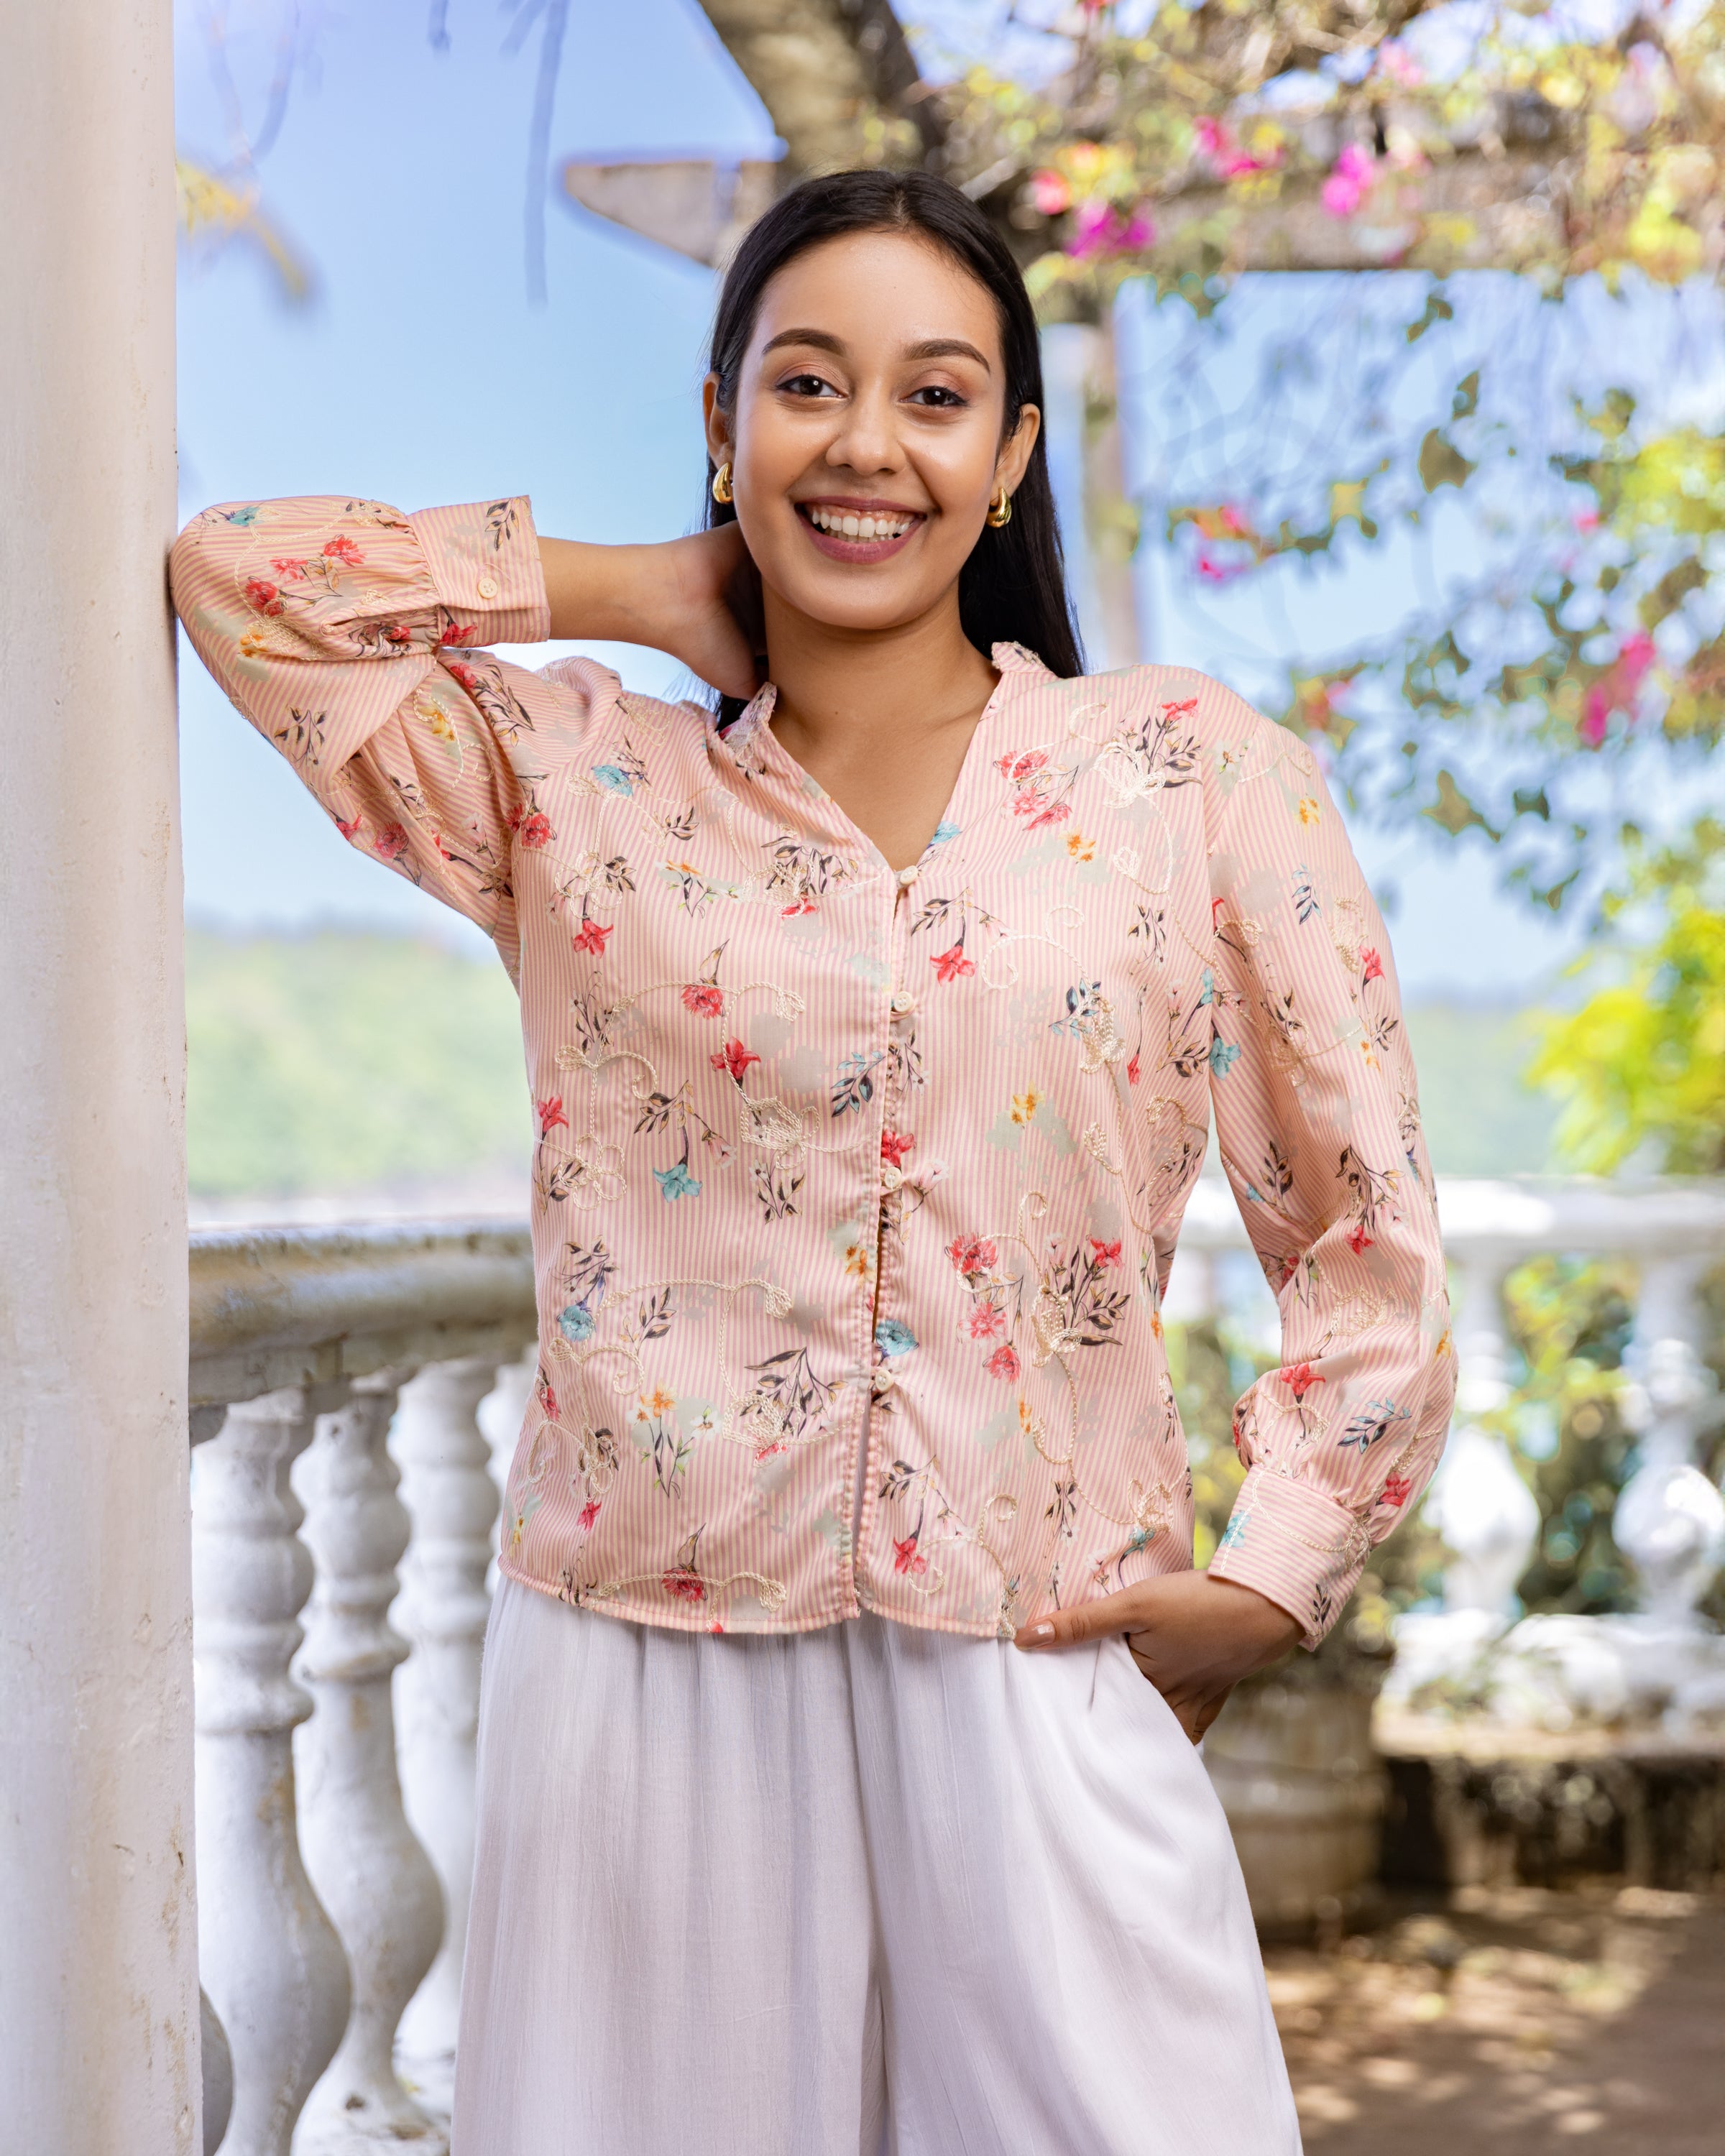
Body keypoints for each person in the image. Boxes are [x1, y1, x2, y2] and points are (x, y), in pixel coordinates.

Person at [172, 167, 1455, 2156]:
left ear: (1016, 456)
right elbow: (242, 576)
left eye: (938, 398)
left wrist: (1277, 1576)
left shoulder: (1191, 781)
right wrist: (632, 585)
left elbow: (1367, 1239)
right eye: (808, 386)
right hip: (641, 1671)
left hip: (1034, 1656)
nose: (870, 445)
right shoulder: (575, 778)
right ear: (721, 422)